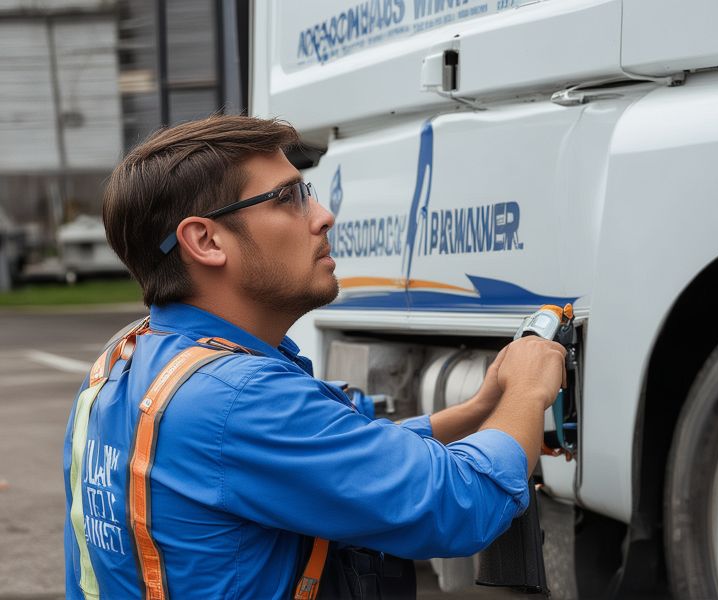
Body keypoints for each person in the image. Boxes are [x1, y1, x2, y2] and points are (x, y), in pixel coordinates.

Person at [63, 115, 566, 599]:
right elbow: (461, 507)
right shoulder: (239, 398)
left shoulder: (126, 361)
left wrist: (474, 415)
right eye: (287, 198)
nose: (324, 216)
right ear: (205, 240)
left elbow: (317, 458)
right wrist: (526, 392)